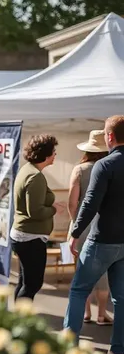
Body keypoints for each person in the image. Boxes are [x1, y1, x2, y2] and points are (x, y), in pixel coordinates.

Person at [64, 116, 124, 354]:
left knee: (78, 290)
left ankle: (69, 348)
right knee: (121, 298)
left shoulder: (105, 165)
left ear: (109, 137)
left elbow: (89, 204)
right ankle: (118, 350)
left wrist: (75, 233)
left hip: (102, 240)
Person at [66, 130, 111, 325]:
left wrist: (74, 223)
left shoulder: (80, 169)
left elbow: (72, 202)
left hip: (82, 227)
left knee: (82, 271)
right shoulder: (112, 166)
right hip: (105, 226)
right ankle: (102, 313)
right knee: (104, 272)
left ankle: (86, 313)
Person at [11, 134, 59, 301]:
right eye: (54, 151)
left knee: (24, 282)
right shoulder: (35, 176)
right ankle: (21, 322)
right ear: (46, 154)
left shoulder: (28, 170)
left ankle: (16, 319)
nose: (55, 155)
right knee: (32, 284)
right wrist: (53, 209)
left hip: (25, 236)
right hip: (31, 238)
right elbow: (36, 212)